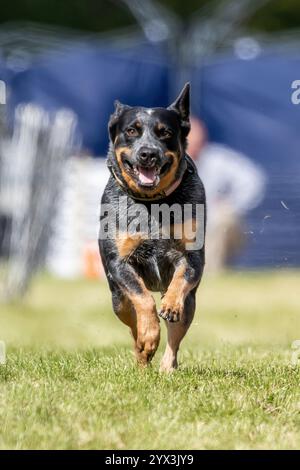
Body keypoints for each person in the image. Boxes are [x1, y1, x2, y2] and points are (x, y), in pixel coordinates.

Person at [188, 116, 266, 272]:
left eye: (195, 137)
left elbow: (253, 180)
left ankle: (212, 275)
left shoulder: (218, 159)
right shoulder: (165, 161)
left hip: (212, 229)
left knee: (223, 218)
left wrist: (231, 204)